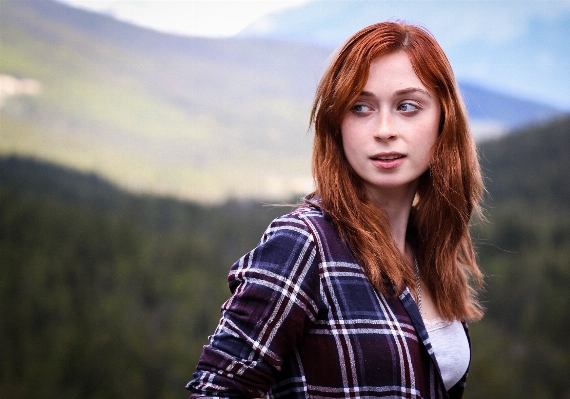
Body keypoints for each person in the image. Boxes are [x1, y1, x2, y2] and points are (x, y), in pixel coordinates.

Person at [186, 21, 484, 399]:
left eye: (408, 106)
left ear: (444, 120)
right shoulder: (305, 243)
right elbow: (216, 389)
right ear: (336, 124)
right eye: (360, 107)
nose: (385, 129)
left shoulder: (430, 254)